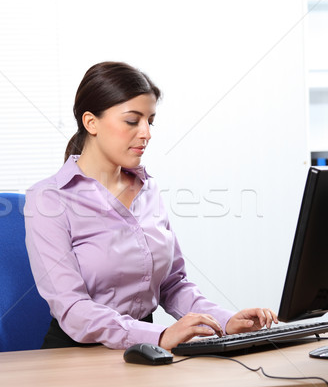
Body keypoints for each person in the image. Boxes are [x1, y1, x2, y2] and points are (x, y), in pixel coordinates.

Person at [24, 61, 277, 350]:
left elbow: (173, 285)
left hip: (146, 351)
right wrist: (157, 336)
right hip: (78, 356)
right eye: (132, 121)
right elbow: (72, 308)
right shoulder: (48, 199)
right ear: (91, 122)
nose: (146, 133)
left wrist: (226, 321)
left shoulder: (148, 189)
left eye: (150, 120)